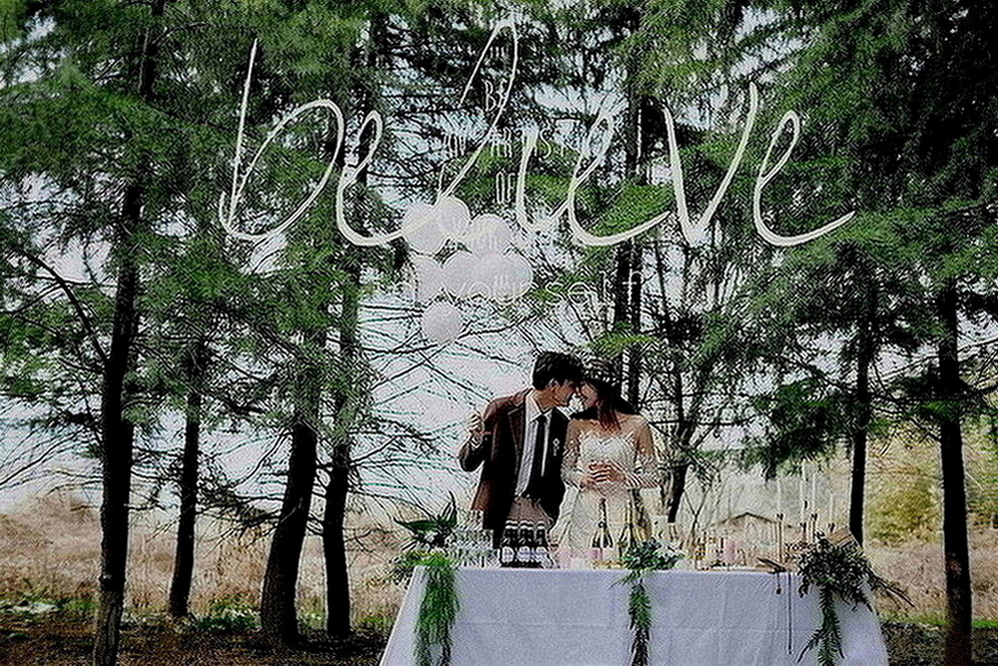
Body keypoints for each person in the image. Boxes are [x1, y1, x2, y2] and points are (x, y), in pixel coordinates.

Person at [459, 351, 584, 546]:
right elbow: (468, 464)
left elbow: (558, 475)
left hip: (537, 515)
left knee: (535, 567)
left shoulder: (562, 425)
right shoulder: (501, 410)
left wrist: (548, 514)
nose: (575, 392)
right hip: (496, 512)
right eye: (571, 385)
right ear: (553, 384)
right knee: (492, 566)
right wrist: (476, 440)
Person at [558, 364, 660, 551]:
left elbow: (654, 478)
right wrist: (582, 479)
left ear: (600, 386)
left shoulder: (638, 424)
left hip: (622, 515)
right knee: (581, 564)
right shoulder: (576, 423)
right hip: (585, 514)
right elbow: (565, 471)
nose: (577, 392)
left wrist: (621, 476)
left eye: (582, 385)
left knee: (619, 564)